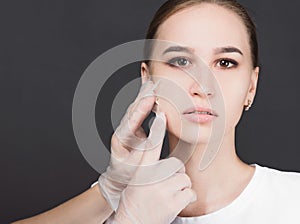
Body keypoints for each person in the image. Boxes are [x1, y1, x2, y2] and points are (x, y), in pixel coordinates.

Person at [13, 0, 300, 223]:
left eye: (225, 63)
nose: (203, 86)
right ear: (148, 80)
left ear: (251, 86)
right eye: (180, 61)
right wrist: (111, 191)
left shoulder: (293, 199)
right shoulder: (112, 207)